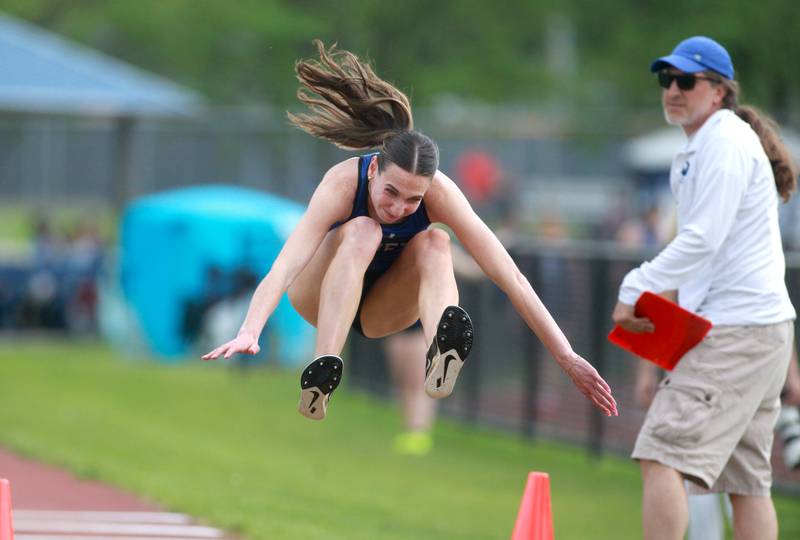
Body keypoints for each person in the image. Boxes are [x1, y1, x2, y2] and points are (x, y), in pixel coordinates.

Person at [203, 39, 617, 423]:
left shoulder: (442, 194)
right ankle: (322, 372)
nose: (399, 208)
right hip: (318, 296)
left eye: (413, 200)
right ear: (375, 169)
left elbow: (511, 277)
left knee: (437, 240)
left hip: (384, 308)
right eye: (391, 193)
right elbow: (286, 265)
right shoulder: (342, 183)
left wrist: (567, 356)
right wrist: (250, 330)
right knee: (364, 229)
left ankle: (441, 348)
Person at [612, 36, 798, 540]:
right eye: (665, 79)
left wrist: (635, 285)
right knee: (748, 485)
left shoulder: (723, 142)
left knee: (660, 452)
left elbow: (703, 239)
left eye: (686, 80)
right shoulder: (707, 146)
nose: (672, 89)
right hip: (755, 332)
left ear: (718, 91)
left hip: (736, 333)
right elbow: (701, 256)